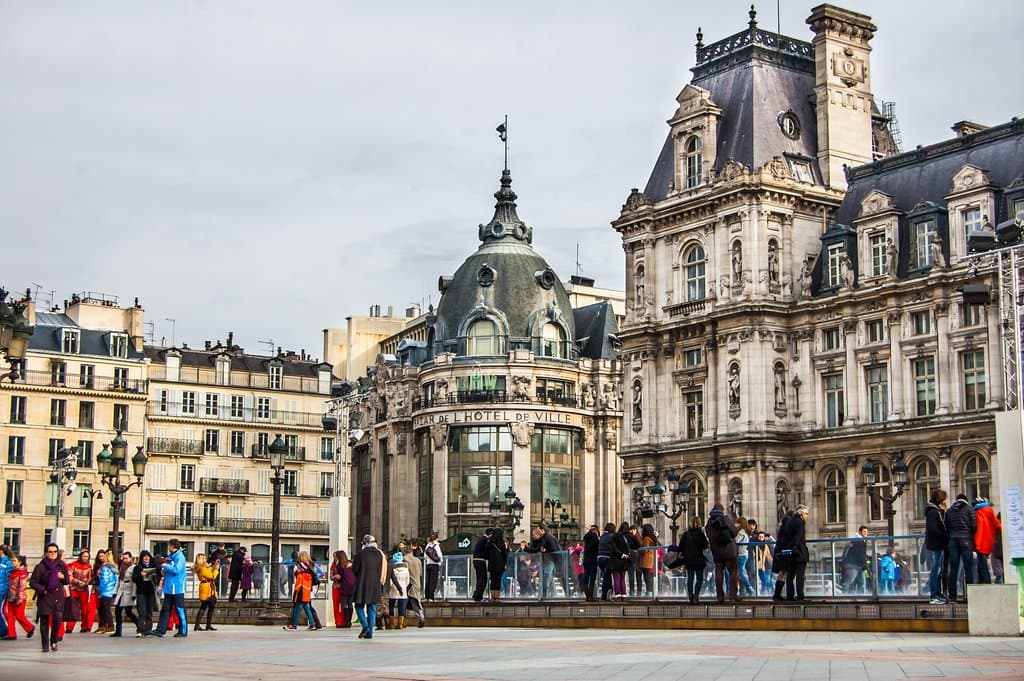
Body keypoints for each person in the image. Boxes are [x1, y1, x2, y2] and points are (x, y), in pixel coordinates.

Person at [31, 542, 69, 652]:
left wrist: (62, 576)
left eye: (55, 552)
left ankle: (54, 641)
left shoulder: (61, 565)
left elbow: (67, 581)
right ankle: (45, 645)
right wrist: (43, 590)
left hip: (57, 596)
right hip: (45, 596)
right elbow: (33, 582)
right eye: (50, 552)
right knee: (44, 621)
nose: (53, 554)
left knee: (57, 619)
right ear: (46, 553)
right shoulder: (40, 566)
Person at [352, 534, 387, 639]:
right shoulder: (379, 555)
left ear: (365, 543)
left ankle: (365, 625)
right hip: (375, 584)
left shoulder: (360, 554)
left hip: (362, 583)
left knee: (359, 606)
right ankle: (370, 633)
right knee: (372, 607)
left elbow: (355, 569)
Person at [152, 538, 188, 637]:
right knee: (165, 609)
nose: (168, 548)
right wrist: (164, 569)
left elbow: (176, 570)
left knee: (180, 609)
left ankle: (183, 630)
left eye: (169, 546)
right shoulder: (170, 557)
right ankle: (160, 629)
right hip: (169, 587)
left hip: (177, 587)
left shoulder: (179, 557)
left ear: (173, 546)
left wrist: (165, 566)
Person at [772, 505, 809, 601]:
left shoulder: (788, 523)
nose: (807, 516)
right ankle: (800, 596)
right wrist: (795, 547)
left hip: (788, 553)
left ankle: (789, 596)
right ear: (801, 514)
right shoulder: (800, 523)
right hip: (798, 552)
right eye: (806, 514)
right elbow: (797, 537)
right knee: (799, 576)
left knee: (789, 576)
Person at [945, 493, 977, 602]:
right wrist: (969, 535)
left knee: (953, 568)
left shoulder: (949, 510)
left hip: (952, 540)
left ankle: (952, 596)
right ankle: (970, 595)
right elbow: (974, 526)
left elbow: (947, 526)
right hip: (966, 540)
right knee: (968, 568)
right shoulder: (969, 509)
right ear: (966, 500)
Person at [706, 503, 740, 602]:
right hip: (729, 550)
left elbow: (708, 535)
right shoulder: (725, 519)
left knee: (719, 572)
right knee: (733, 572)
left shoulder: (709, 523)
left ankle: (720, 596)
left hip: (717, 551)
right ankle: (733, 594)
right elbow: (734, 532)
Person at [282, 551, 319, 631]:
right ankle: (312, 624)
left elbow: (298, 578)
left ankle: (294, 625)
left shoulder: (301, 568)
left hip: (301, 589)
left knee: (297, 608)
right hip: (307, 589)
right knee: (306, 607)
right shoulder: (310, 567)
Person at [924, 489, 949, 603]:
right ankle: (934, 595)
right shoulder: (933, 512)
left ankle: (937, 593)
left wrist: (943, 511)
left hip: (936, 544)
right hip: (936, 544)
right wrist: (944, 535)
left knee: (938, 570)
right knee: (936, 570)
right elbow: (934, 529)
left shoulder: (935, 512)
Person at [679, 516, 709, 604]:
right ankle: (696, 595)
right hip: (699, 559)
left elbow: (681, 547)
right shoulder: (701, 535)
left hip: (689, 560)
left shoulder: (685, 535)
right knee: (700, 578)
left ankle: (690, 596)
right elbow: (705, 546)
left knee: (690, 578)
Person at [4, 553, 34, 639]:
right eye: (12, 561)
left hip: (19, 598)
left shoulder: (22, 573)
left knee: (19, 616)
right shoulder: (12, 572)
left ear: (20, 562)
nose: (12, 563)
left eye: (14, 561)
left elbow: (22, 587)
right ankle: (11, 634)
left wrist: (19, 599)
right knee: (10, 616)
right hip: (11, 597)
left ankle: (30, 628)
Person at [529, 523, 562, 599]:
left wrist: (544, 550)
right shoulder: (545, 537)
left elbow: (552, 548)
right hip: (549, 559)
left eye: (538, 530)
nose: (537, 532)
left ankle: (545, 595)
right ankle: (552, 595)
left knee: (547, 576)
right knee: (548, 576)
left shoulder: (548, 537)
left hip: (551, 559)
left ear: (542, 530)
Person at [973, 497, 1001, 584]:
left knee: (981, 563)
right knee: (983, 562)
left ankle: (984, 582)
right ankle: (984, 581)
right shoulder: (990, 512)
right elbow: (998, 526)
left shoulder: (975, 513)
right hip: (988, 541)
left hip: (979, 541)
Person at [65, 549, 93, 634]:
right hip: (74, 589)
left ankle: (85, 626)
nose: (85, 558)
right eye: (84, 556)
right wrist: (78, 582)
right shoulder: (72, 565)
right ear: (80, 556)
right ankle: (69, 627)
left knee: (85, 609)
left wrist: (87, 582)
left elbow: (90, 577)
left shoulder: (89, 566)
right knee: (73, 608)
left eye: (87, 557)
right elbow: (69, 576)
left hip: (84, 589)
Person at [132, 550, 159, 636]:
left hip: (150, 591)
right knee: (142, 611)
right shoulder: (137, 567)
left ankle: (148, 630)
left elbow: (159, 577)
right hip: (141, 591)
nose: (146, 558)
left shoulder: (153, 567)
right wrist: (141, 575)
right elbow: (134, 579)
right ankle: (140, 629)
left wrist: (155, 576)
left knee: (149, 611)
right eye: (144, 556)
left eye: (148, 556)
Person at [111, 552, 138, 637]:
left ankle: (139, 625)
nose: (125, 560)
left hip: (129, 591)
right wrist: (115, 592)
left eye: (126, 558)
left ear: (130, 558)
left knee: (128, 611)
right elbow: (119, 580)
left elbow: (134, 582)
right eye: (124, 558)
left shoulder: (133, 568)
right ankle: (118, 631)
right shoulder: (121, 567)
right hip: (121, 591)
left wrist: (134, 593)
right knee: (117, 611)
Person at [194, 553, 220, 631]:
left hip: (206, 587)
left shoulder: (202, 568)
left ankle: (202, 625)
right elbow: (211, 576)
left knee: (204, 606)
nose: (206, 560)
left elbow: (209, 574)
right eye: (204, 558)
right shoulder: (202, 568)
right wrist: (216, 569)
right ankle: (204, 625)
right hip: (207, 589)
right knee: (208, 606)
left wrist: (213, 567)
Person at [401, 545, 425, 628]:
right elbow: (421, 573)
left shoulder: (404, 560)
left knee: (411, 602)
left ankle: (420, 618)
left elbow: (403, 572)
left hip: (409, 584)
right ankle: (420, 618)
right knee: (416, 600)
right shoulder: (418, 560)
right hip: (417, 583)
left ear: (404, 552)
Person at [331, 550, 356, 628]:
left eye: (335, 556)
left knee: (344, 604)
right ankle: (348, 622)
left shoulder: (339, 565)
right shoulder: (351, 564)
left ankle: (345, 622)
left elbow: (340, 576)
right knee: (349, 603)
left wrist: (336, 577)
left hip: (343, 586)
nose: (334, 558)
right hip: (352, 586)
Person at [841, 526, 870, 595]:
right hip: (853, 565)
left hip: (858, 565)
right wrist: (866, 566)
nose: (866, 533)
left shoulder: (859, 540)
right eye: (864, 531)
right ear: (860, 532)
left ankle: (857, 596)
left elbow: (861, 555)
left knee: (860, 582)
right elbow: (860, 555)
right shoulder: (858, 541)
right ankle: (844, 596)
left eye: (867, 532)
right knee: (850, 581)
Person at [94, 550, 118, 634]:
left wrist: (100, 591)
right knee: (105, 608)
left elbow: (104, 580)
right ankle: (105, 626)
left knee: (105, 609)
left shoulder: (105, 568)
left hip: (105, 590)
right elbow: (116, 579)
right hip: (111, 590)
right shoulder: (113, 567)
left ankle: (110, 626)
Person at [387, 552, 410, 629]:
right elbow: (408, 581)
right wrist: (404, 586)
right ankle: (400, 624)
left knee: (391, 606)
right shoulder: (406, 570)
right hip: (403, 589)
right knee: (402, 607)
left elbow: (391, 580)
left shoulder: (393, 568)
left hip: (393, 588)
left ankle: (391, 623)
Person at [609, 522, 632, 599]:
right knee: (622, 578)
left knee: (616, 577)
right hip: (625, 560)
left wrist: (621, 554)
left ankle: (618, 593)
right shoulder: (629, 537)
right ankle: (624, 593)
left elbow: (613, 548)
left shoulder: (615, 536)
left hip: (616, 560)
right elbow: (637, 545)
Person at [486, 527, 509, 601]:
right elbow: (504, 554)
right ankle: (497, 597)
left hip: (492, 564)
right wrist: (504, 563)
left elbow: (487, 553)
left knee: (493, 580)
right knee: (498, 580)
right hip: (500, 565)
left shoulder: (490, 542)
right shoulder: (501, 542)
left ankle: (492, 596)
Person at [471, 529, 493, 602]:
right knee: (483, 579)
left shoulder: (480, 539)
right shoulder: (485, 540)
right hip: (480, 561)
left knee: (479, 578)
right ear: (490, 534)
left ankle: (476, 594)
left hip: (475, 560)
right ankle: (479, 596)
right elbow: (486, 551)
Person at [596, 522, 616, 600]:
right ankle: (606, 593)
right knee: (607, 576)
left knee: (606, 576)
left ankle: (606, 593)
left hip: (600, 558)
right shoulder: (612, 536)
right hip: (607, 557)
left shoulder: (603, 536)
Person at [735, 517, 754, 597]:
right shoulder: (745, 532)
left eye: (737, 523)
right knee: (741, 572)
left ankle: (750, 588)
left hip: (741, 554)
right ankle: (749, 588)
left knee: (740, 573)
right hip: (744, 554)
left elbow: (736, 541)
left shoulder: (741, 533)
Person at [580, 525, 600, 601]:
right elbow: (597, 550)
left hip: (586, 561)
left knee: (585, 578)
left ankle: (587, 595)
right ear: (595, 532)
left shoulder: (586, 538)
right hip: (593, 561)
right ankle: (590, 596)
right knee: (592, 579)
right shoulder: (595, 539)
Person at [638, 524, 658, 597]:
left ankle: (649, 592)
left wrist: (638, 550)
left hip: (645, 560)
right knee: (649, 577)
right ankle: (651, 591)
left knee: (647, 577)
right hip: (650, 559)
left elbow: (644, 550)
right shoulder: (652, 538)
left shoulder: (646, 539)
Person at [423, 533, 442, 602]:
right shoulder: (436, 545)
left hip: (428, 564)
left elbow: (425, 556)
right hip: (435, 565)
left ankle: (426, 597)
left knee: (427, 580)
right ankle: (431, 597)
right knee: (433, 581)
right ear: (437, 538)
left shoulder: (428, 545)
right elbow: (440, 556)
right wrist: (439, 562)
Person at [0, 545, 12, 640]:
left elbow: (10, 577)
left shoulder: (7, 562)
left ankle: (6, 630)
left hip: (3, 590)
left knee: (1, 611)